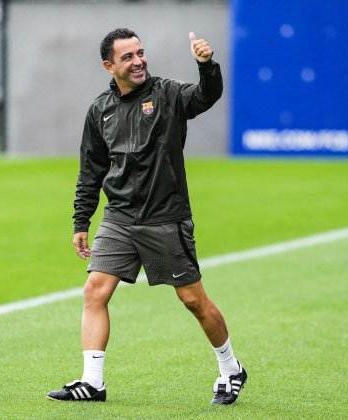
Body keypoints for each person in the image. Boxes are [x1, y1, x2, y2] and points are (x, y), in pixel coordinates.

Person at [47, 28, 247, 405]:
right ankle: (93, 382)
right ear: (109, 65)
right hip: (119, 217)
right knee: (95, 291)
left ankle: (231, 368)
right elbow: (91, 170)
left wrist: (207, 66)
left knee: (193, 301)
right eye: (128, 57)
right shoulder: (100, 110)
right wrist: (81, 221)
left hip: (165, 219)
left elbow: (206, 96)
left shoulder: (168, 94)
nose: (138, 61)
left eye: (141, 53)